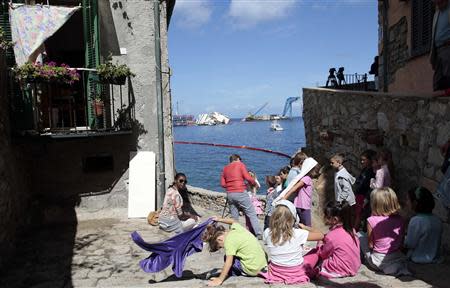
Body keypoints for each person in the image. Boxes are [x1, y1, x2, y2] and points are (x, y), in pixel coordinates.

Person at [262, 200, 324, 285]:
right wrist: (305, 227)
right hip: (296, 271)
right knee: (316, 251)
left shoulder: (267, 232)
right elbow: (321, 235)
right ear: (293, 219)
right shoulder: (298, 233)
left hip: (276, 271)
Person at [359, 187, 410, 276]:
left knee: (359, 235)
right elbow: (401, 243)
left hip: (378, 261)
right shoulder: (401, 220)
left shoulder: (371, 220)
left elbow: (371, 245)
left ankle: (359, 260)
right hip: (397, 257)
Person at [202, 217, 267, 286]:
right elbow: (233, 221)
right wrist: (219, 219)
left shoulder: (229, 241)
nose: (222, 247)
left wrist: (219, 279)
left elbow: (228, 263)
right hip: (263, 264)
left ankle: (233, 273)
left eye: (220, 246)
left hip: (253, 269)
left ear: (219, 239)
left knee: (227, 257)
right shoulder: (237, 228)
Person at [313, 201, 361, 278]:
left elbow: (323, 254)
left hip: (341, 268)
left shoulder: (331, 236)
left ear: (335, 219)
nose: (324, 217)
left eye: (326, 216)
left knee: (317, 262)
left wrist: (320, 244)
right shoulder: (352, 230)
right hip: (354, 266)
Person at [220, 154, 262, 238]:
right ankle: (258, 233)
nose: (241, 161)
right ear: (237, 159)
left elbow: (223, 184)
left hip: (230, 194)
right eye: (240, 160)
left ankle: (234, 232)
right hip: (240, 192)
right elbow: (247, 177)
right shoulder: (240, 165)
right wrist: (253, 182)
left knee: (234, 215)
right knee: (251, 213)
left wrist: (230, 185)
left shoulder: (225, 168)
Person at [405, 187, 443, 264]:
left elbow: (409, 244)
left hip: (417, 258)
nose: (406, 202)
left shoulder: (416, 221)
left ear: (415, 203)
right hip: (434, 258)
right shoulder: (437, 220)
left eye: (408, 200)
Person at [282, 157, 319, 226]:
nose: (316, 172)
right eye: (315, 170)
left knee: (301, 224)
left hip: (299, 204)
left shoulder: (303, 178)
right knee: (307, 226)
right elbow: (294, 188)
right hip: (304, 206)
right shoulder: (307, 178)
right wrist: (285, 197)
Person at [354, 150, 377, 231]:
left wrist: (366, 198)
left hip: (364, 196)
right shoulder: (364, 170)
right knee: (358, 214)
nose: (362, 161)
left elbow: (370, 186)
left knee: (360, 215)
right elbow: (359, 181)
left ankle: (356, 230)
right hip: (359, 195)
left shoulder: (371, 172)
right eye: (361, 160)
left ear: (370, 160)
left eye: (364, 160)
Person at [430, 0, 450, 91]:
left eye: (440, 2)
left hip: (447, 47)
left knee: (448, 78)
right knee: (437, 83)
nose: (438, 4)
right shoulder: (437, 13)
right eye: (436, 3)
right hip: (437, 50)